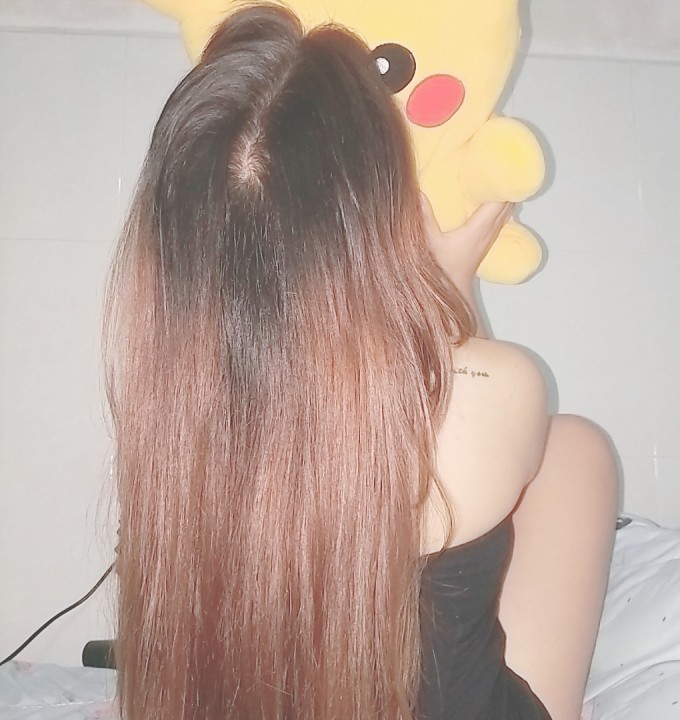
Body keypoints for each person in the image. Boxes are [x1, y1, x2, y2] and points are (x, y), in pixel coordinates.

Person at [104, 4, 617, 719]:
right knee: (574, 449)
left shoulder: (165, 420)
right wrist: (447, 296)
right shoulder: (492, 385)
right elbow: (478, 430)